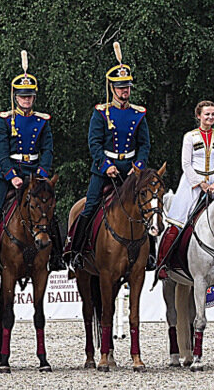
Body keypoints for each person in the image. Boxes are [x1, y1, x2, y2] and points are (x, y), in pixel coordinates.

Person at [0, 60, 64, 272]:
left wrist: (42, 173)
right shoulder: (5, 120)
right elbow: (1, 151)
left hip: (35, 174)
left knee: (49, 211)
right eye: (23, 96)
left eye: (30, 96)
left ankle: (58, 257)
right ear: (16, 97)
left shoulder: (42, 121)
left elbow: (48, 150)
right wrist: (10, 175)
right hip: (11, 173)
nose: (26, 100)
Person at [64, 55, 151, 271]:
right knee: (90, 206)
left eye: (127, 87)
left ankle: (150, 255)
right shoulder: (101, 113)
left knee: (147, 206)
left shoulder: (138, 114)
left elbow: (144, 145)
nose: (125, 91)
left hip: (130, 171)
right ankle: (75, 251)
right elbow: (93, 143)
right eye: (120, 87)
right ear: (112, 88)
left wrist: (138, 167)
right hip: (106, 169)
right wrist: (106, 165)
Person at [157, 100, 214, 271]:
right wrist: (200, 183)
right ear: (199, 116)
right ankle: (163, 263)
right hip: (192, 184)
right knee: (178, 222)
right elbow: (186, 164)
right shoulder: (190, 136)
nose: (210, 117)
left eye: (213, 114)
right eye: (207, 114)